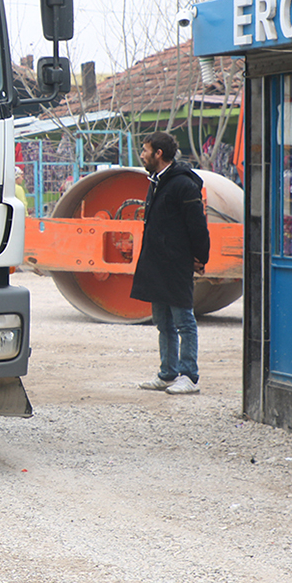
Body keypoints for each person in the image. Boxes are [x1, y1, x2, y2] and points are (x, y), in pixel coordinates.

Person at [131, 131, 210, 395]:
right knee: (162, 322)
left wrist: (201, 257)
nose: (142, 155)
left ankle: (189, 375)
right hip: (157, 263)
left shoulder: (183, 185)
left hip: (176, 263)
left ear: (158, 154)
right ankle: (167, 373)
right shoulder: (156, 182)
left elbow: (197, 226)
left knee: (184, 321)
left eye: (145, 150)